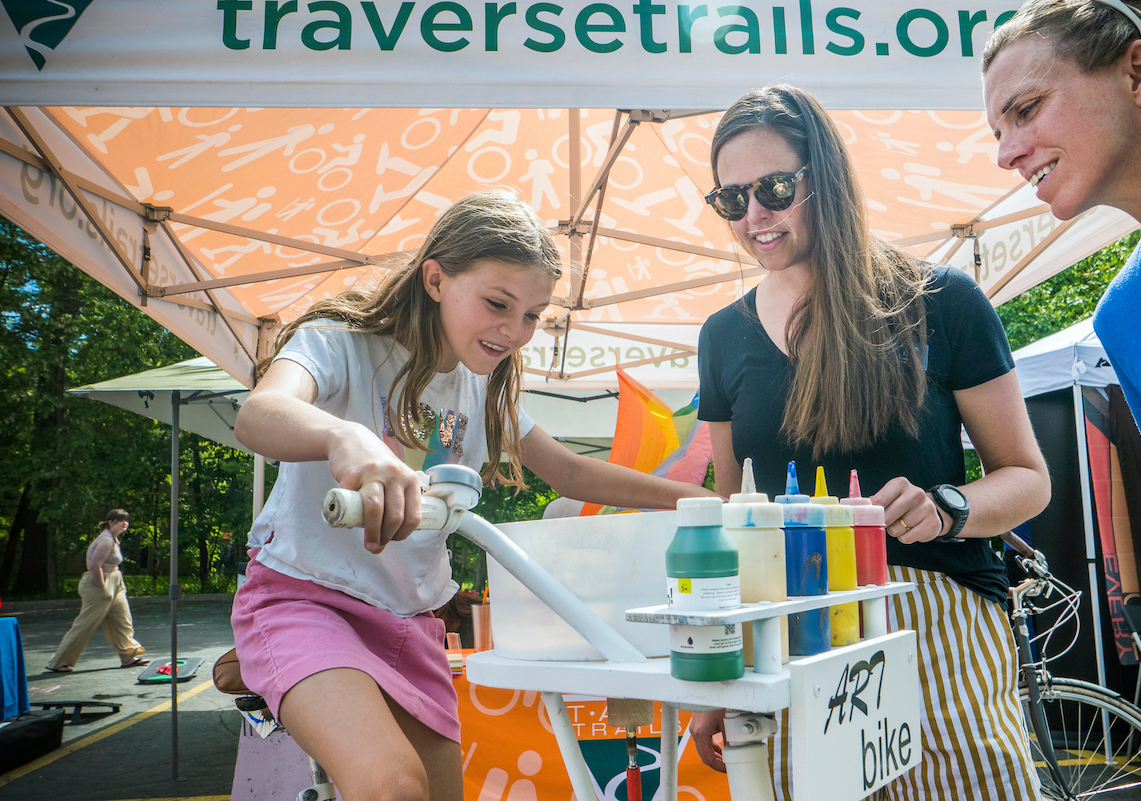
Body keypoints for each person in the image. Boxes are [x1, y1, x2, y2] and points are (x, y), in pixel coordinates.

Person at [230, 191, 712, 801]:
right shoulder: (338, 344)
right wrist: (343, 437)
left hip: (411, 622)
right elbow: (259, 414)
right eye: (497, 304)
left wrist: (697, 502)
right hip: (306, 601)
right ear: (435, 278)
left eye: (534, 314)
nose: (515, 332)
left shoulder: (481, 389)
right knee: (392, 787)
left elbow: (570, 473)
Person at [691, 84, 1052, 799]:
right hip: (790, 628)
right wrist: (719, 667)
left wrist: (948, 505)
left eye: (774, 188)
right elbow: (731, 514)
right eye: (731, 199)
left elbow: (1026, 476)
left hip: (937, 618)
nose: (754, 215)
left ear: (823, 176)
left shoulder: (941, 300)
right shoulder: (722, 336)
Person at [982, 0, 1141, 488]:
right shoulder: (1124, 316)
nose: (1004, 154)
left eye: (1027, 108)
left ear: (1139, 73)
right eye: (999, 132)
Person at [46, 509, 148, 673]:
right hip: (98, 583)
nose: (125, 523)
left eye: (127, 520)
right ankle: (59, 662)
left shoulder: (114, 539)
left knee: (122, 620)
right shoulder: (106, 540)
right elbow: (94, 566)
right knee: (85, 624)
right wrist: (102, 588)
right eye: (120, 520)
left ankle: (129, 657)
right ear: (111, 522)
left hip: (115, 581)